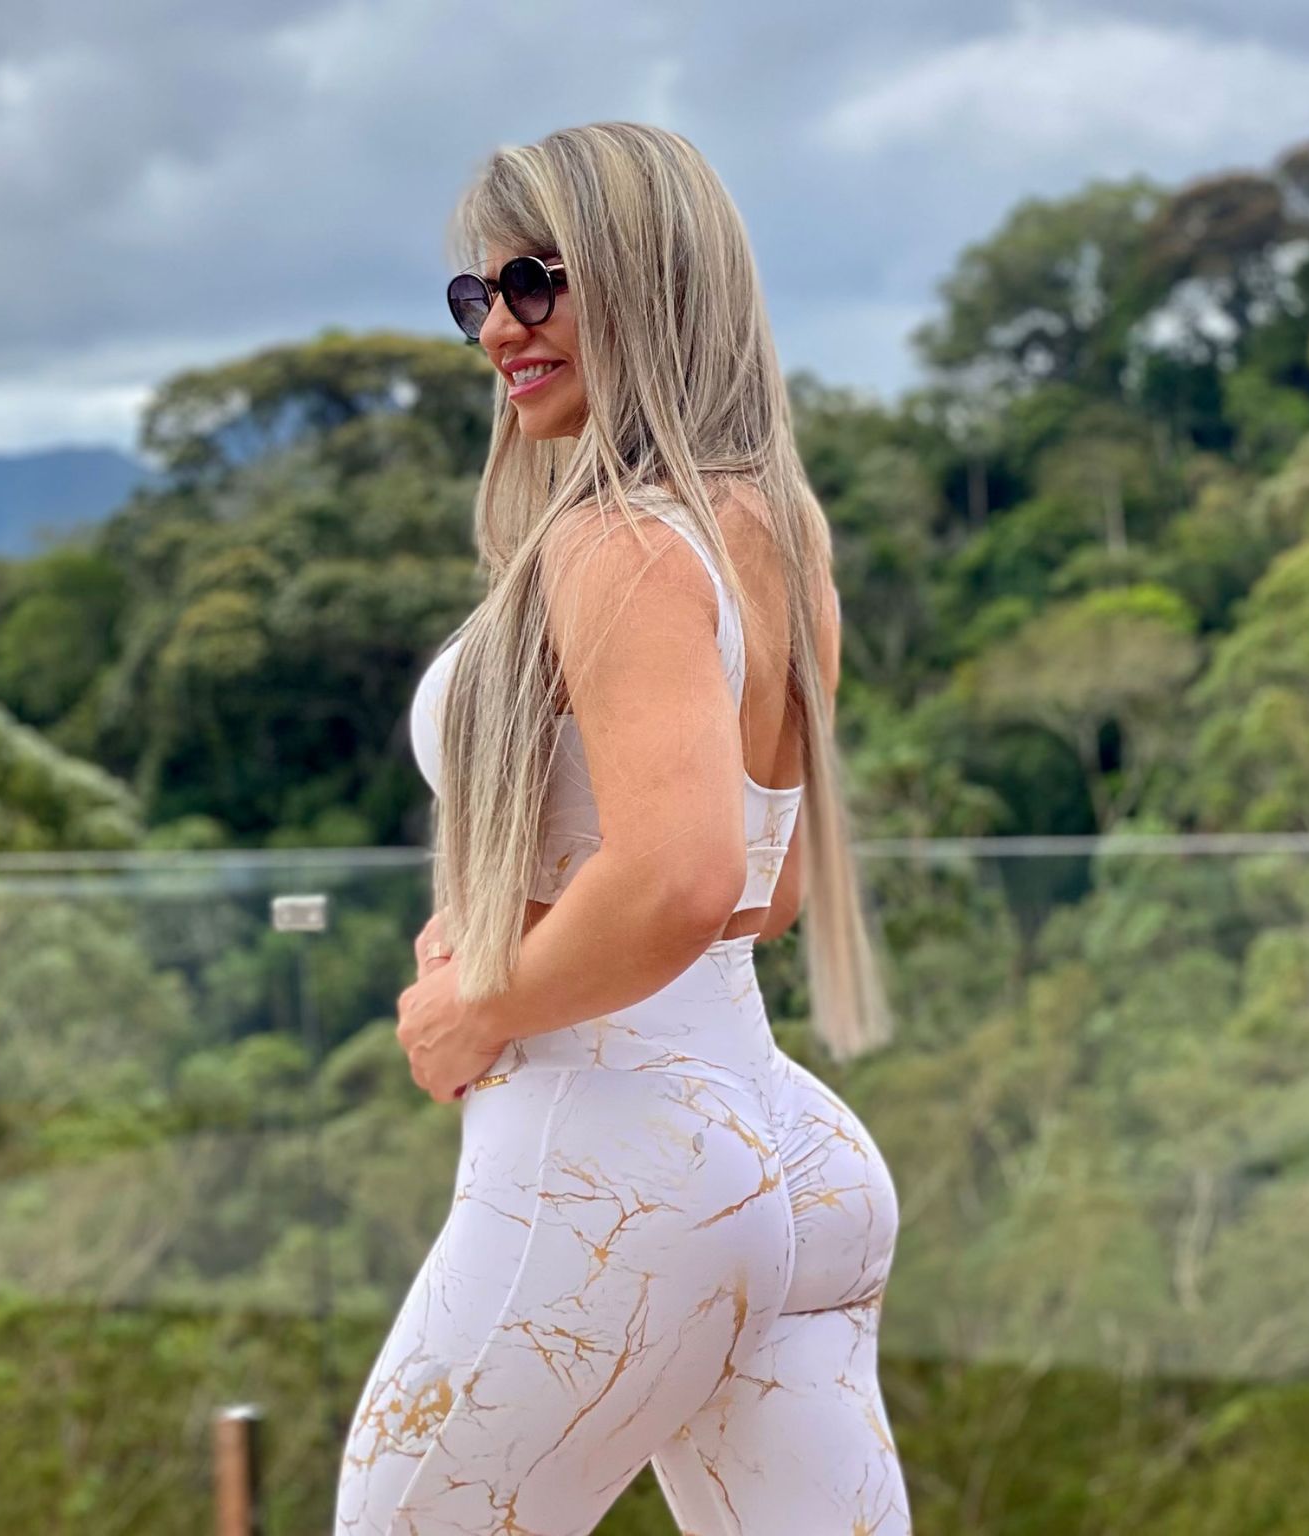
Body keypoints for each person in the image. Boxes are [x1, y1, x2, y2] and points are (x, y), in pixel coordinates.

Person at [334, 121, 911, 1536]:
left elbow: (681, 878)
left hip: (615, 1162)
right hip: (786, 1155)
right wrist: (517, 912)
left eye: (536, 282)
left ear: (653, 278)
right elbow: (762, 896)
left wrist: (478, 1002)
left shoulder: (617, 543)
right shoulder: (777, 534)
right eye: (479, 295)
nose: (500, 328)